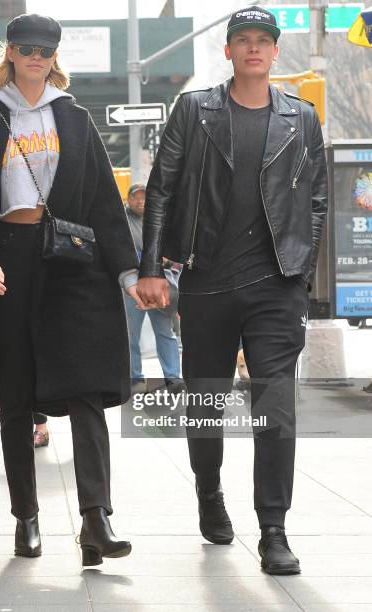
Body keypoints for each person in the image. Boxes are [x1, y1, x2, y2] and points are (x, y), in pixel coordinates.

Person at [137, 6, 327, 575]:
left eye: (262, 41)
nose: (252, 49)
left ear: (274, 53)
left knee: (276, 407)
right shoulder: (195, 110)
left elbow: (315, 198)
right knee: (206, 405)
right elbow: (161, 186)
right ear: (227, 51)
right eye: (242, 40)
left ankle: (274, 529)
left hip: (275, 287)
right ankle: (208, 491)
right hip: (206, 281)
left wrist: (302, 267)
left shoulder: (302, 118)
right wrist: (151, 267)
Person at [0, 13, 142, 566]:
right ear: (10, 52)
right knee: (17, 395)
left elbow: (106, 201)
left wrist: (128, 273)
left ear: (56, 58)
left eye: (46, 49)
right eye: (27, 47)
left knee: (86, 391)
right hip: (9, 262)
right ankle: (26, 519)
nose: (37, 56)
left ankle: (96, 519)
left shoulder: (75, 120)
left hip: (71, 263)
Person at [123, 183, 182, 393]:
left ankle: (173, 377)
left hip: (158, 283)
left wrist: (165, 258)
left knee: (165, 331)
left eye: (144, 197)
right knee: (131, 335)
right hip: (132, 286)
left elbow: (175, 250)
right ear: (128, 199)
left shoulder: (159, 217)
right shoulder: (122, 220)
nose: (141, 201)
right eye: (136, 197)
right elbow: (122, 252)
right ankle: (135, 378)